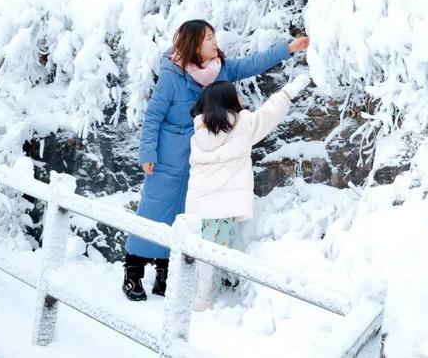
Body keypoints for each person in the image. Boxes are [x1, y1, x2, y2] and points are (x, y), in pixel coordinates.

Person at [122, 19, 309, 301]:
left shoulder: (220, 69)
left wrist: (289, 49)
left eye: (213, 35)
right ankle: (133, 272)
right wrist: (148, 152)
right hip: (167, 156)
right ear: (194, 44)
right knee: (154, 210)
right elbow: (153, 115)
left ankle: (164, 272)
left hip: (200, 160)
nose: (214, 41)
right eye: (208, 37)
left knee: (182, 216)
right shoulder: (173, 74)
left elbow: (253, 63)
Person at [185, 72, 311, 311]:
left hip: (198, 205)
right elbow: (270, 112)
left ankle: (202, 293)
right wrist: (290, 89)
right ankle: (202, 299)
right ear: (229, 101)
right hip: (223, 206)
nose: (241, 98)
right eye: (237, 95)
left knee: (203, 249)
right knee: (212, 252)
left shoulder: (199, 131)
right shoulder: (242, 125)